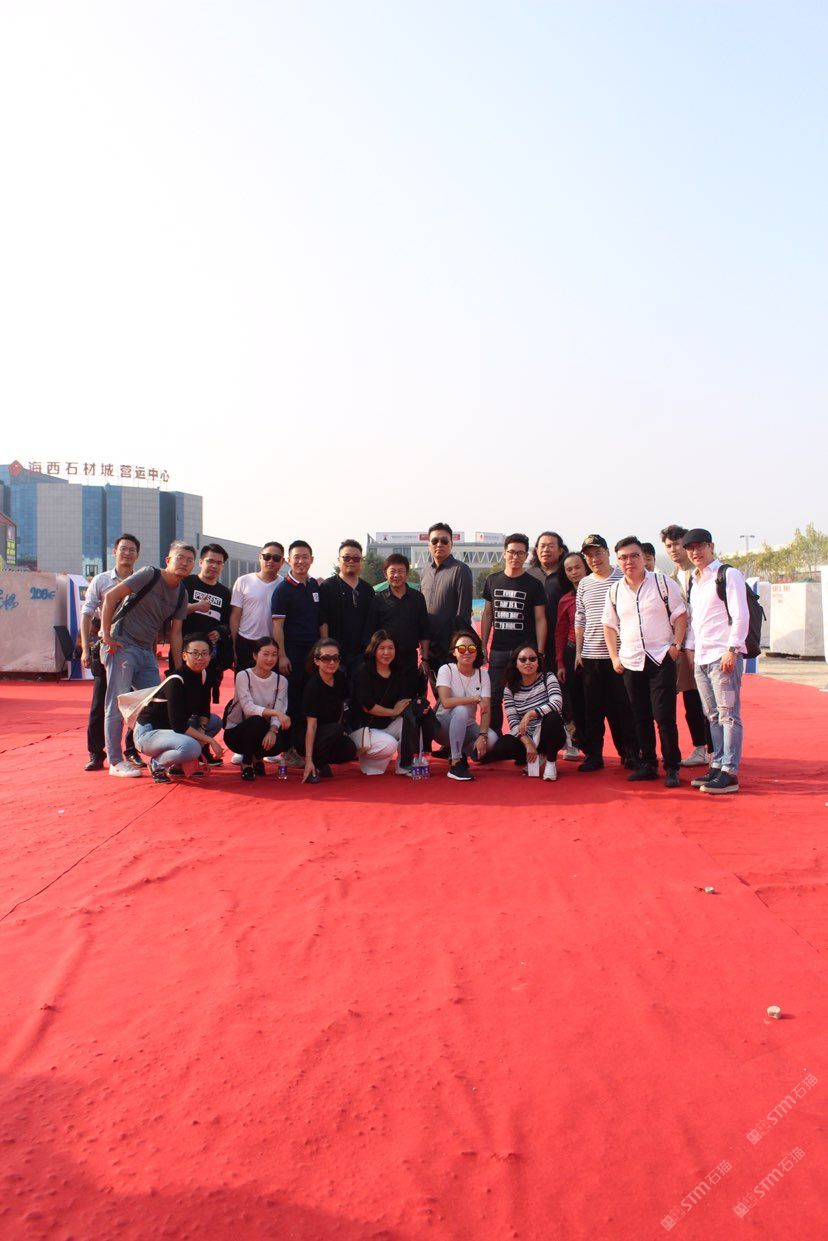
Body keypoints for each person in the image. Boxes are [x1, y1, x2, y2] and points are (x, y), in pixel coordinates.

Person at [99, 541, 193, 777]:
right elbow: (111, 596)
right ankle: (115, 761)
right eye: (180, 557)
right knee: (117, 702)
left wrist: (179, 668)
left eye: (189, 560)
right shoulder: (150, 574)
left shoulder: (182, 593)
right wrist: (107, 634)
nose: (184, 563)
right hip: (122, 644)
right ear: (168, 560)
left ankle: (158, 756)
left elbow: (176, 633)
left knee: (155, 704)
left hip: (146, 651)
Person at [601, 537, 687, 788]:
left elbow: (680, 615)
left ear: (643, 557)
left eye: (634, 556)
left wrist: (676, 646)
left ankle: (671, 766)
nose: (629, 561)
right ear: (618, 561)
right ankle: (648, 763)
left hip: (661, 658)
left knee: (664, 717)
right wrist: (614, 656)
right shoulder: (615, 591)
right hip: (631, 660)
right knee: (640, 716)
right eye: (623, 557)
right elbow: (609, 625)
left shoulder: (662, 582)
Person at [682, 528, 749, 795]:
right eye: (690, 549)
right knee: (711, 716)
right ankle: (717, 764)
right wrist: (690, 649)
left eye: (699, 546)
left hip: (723, 656)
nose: (695, 552)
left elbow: (740, 614)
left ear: (711, 546)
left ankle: (730, 771)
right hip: (701, 657)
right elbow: (694, 620)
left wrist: (733, 649)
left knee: (728, 715)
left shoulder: (727, 574)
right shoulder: (695, 580)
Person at [573, 534, 639, 773]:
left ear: (608, 553)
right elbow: (580, 618)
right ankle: (593, 756)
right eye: (589, 555)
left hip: (621, 656)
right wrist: (578, 652)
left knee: (623, 709)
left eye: (598, 553)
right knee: (593, 710)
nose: (594, 559)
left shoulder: (623, 578)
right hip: (591, 656)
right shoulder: (584, 583)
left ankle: (630, 753)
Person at [80, 533, 141, 771]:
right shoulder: (102, 580)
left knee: (135, 702)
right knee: (101, 703)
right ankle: (97, 752)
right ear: (114, 552)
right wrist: (86, 649)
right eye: (123, 549)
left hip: (136, 648)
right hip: (107, 649)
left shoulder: (143, 581)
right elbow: (87, 613)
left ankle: (132, 749)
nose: (127, 553)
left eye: (132, 550)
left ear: (137, 555)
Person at [132, 634, 224, 783]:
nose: (200, 658)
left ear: (210, 656)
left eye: (204, 653)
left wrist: (201, 730)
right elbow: (179, 725)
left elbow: (204, 708)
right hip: (149, 733)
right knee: (192, 748)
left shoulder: (205, 675)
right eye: (195, 653)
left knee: (214, 722)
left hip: (172, 731)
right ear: (184, 656)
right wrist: (209, 740)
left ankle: (178, 765)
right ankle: (157, 764)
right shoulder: (176, 680)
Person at [480, 533, 547, 734]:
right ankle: (495, 738)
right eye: (511, 552)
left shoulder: (534, 585)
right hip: (499, 650)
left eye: (520, 553)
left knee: (527, 696)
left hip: (525, 652)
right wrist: (483, 645)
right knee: (494, 696)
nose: (515, 557)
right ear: (504, 553)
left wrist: (539, 651)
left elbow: (540, 619)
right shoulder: (492, 580)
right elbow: (488, 614)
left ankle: (526, 737)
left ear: (526, 555)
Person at [660, 522, 710, 768]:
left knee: (709, 702)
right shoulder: (669, 579)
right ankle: (701, 748)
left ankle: (716, 751)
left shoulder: (704, 574)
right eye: (668, 546)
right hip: (682, 648)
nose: (673, 549)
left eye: (678, 544)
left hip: (706, 646)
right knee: (691, 699)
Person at [482, 644, 565, 781]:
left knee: (553, 717)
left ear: (538, 662)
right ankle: (533, 756)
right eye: (523, 659)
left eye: (532, 659)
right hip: (527, 734)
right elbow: (513, 721)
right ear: (516, 663)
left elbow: (557, 704)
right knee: (502, 746)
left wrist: (531, 713)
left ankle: (550, 762)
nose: (528, 662)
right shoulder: (509, 688)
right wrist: (527, 743)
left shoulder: (548, 677)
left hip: (550, 732)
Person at [223, 637, 291, 781]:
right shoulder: (244, 676)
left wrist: (273, 730)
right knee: (257, 721)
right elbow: (248, 708)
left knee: (286, 734)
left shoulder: (281, 681)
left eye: (274, 655)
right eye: (265, 654)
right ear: (255, 655)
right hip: (237, 733)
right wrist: (276, 713)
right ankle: (247, 763)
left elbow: (280, 708)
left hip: (264, 730)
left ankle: (258, 757)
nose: (270, 659)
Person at [434, 628, 497, 781]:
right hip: (443, 727)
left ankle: (460, 751)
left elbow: (486, 709)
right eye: (461, 648)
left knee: (492, 739)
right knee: (461, 710)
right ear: (454, 652)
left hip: (468, 726)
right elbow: (446, 702)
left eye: (471, 648)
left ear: (477, 651)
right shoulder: (446, 670)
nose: (466, 652)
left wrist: (482, 736)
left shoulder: (483, 675)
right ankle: (456, 763)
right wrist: (473, 699)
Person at [347, 631, 413, 776]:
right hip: (365, 731)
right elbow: (368, 707)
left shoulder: (397, 671)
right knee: (389, 744)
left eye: (390, 648)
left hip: (386, 726)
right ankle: (367, 759)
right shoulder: (363, 671)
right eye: (382, 648)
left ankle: (405, 765)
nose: (386, 652)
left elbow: (402, 700)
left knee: (412, 722)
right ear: (374, 649)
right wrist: (393, 712)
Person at [271, 540, 322, 723]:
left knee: (311, 696)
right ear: (288, 560)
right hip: (292, 652)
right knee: (292, 697)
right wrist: (282, 656)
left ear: (312, 559)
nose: (301, 561)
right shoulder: (283, 589)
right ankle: (290, 738)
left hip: (313, 652)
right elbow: (277, 625)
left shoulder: (314, 585)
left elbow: (320, 619)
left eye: (305, 557)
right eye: (297, 557)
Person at [419, 523, 473, 692]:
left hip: (450, 649)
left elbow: (463, 614)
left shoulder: (461, 570)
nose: (439, 545)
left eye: (444, 541)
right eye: (434, 541)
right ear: (429, 544)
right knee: (437, 696)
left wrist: (457, 649)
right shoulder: (424, 572)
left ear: (451, 543)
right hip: (429, 648)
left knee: (454, 697)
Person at [296, 639, 358, 783]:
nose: (331, 662)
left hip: (330, 730)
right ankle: (313, 764)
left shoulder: (340, 678)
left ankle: (321, 762)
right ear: (317, 661)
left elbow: (342, 706)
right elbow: (311, 726)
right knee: (336, 729)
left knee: (349, 749)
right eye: (326, 658)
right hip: (306, 735)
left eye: (335, 658)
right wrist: (308, 759)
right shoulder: (313, 686)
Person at [318, 540, 376, 685]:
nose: (351, 561)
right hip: (335, 654)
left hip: (361, 654)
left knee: (359, 690)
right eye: (346, 558)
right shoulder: (327, 587)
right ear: (339, 560)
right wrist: (326, 647)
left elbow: (372, 621)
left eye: (356, 559)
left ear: (361, 561)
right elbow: (322, 619)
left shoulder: (367, 589)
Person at [373, 554, 431, 697]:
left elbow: (424, 631)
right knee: (387, 698)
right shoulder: (378, 600)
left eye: (401, 571)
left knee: (410, 698)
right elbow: (372, 632)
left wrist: (424, 660)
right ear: (385, 574)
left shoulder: (417, 598)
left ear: (407, 574)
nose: (396, 575)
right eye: (392, 571)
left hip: (409, 659)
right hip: (385, 659)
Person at [182, 543, 233, 705]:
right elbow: (172, 611)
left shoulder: (225, 593)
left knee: (204, 698)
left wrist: (219, 632)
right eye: (210, 561)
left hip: (209, 657)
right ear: (201, 562)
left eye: (219, 563)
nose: (214, 566)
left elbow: (228, 623)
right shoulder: (187, 583)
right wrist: (196, 607)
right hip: (185, 651)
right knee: (181, 694)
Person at [554, 551, 590, 761]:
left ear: (586, 567)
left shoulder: (603, 591)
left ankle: (623, 749)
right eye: (569, 569)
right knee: (574, 701)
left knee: (599, 701)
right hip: (571, 651)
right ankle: (576, 743)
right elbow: (560, 632)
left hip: (598, 651)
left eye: (578, 567)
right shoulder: (565, 599)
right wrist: (560, 662)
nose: (574, 572)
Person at [229, 542, 284, 673]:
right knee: (243, 682)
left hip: (271, 645)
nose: (271, 561)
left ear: (282, 562)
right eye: (267, 556)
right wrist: (233, 646)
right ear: (260, 557)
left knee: (269, 683)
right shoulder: (243, 581)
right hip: (245, 642)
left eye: (276, 558)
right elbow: (235, 616)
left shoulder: (283, 585)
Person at [527, 531, 567, 668]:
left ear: (560, 550)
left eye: (551, 546)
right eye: (542, 546)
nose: (545, 550)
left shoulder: (568, 574)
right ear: (536, 550)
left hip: (563, 641)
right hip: (532, 641)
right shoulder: (528, 575)